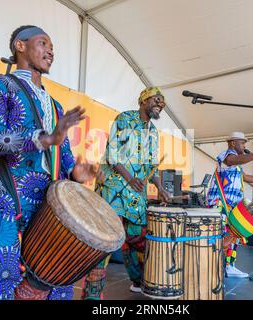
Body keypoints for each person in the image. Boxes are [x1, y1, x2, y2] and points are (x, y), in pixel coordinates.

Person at [0, 25, 100, 300]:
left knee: (53, 281)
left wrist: (77, 173)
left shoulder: (56, 105)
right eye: (43, 43)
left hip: (49, 203)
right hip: (6, 195)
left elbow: (64, 155)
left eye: (52, 47)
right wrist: (45, 138)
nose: (50, 51)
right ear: (20, 46)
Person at [81, 87, 171, 300]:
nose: (161, 104)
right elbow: (112, 154)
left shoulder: (154, 132)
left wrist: (159, 187)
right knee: (106, 237)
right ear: (143, 100)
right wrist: (130, 178)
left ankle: (138, 281)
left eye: (163, 102)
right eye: (157, 99)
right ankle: (93, 293)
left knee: (136, 236)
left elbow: (151, 165)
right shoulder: (125, 119)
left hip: (135, 192)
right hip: (113, 187)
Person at [207, 131, 253, 278]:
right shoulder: (226, 156)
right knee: (220, 235)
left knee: (234, 236)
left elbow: (244, 177)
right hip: (220, 203)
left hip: (233, 205)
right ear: (233, 143)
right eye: (242, 142)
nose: (245, 145)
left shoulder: (238, 163)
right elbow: (233, 161)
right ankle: (212, 265)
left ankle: (229, 266)